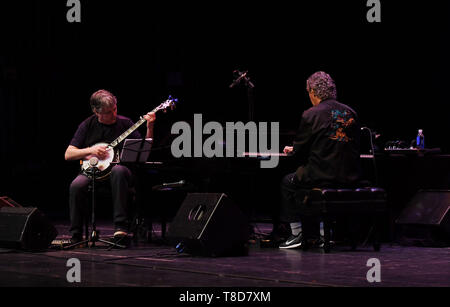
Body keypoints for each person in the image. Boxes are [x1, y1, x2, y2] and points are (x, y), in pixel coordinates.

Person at [279, 71, 362, 249]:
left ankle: (297, 234)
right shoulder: (351, 113)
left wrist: (295, 149)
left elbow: (300, 153)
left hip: (321, 174)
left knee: (288, 181)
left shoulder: (311, 114)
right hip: (350, 176)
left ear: (313, 92)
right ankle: (327, 234)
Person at [64, 89, 156, 245]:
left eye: (114, 109)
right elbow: (68, 154)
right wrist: (91, 150)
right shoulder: (87, 125)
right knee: (76, 186)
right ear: (96, 111)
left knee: (118, 171)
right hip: (94, 171)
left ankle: (121, 228)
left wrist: (150, 127)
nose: (113, 114)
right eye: (108, 112)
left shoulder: (125, 123)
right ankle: (76, 234)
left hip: (118, 172)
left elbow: (144, 147)